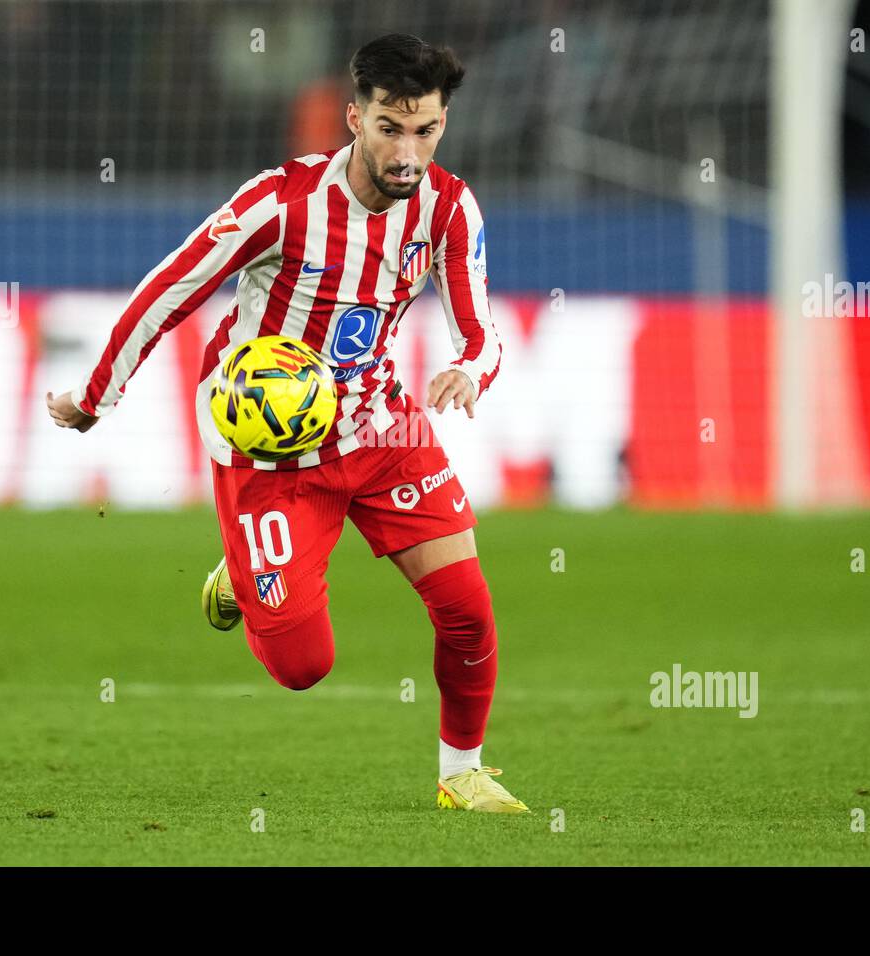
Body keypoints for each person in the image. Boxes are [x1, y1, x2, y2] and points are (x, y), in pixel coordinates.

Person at [46, 33, 525, 813]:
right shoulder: (282, 202)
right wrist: (98, 397)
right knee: (304, 666)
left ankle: (460, 771)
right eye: (390, 128)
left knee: (467, 606)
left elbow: (482, 330)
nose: (409, 152)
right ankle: (242, 570)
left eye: (427, 130)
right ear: (352, 119)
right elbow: (169, 289)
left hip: (379, 429)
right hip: (268, 447)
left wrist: (470, 372)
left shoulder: (448, 208)